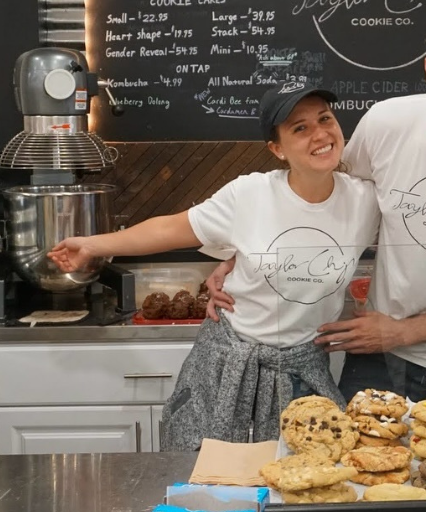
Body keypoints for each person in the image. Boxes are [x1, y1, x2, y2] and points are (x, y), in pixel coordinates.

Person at [208, 8, 426, 413]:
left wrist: (401, 333)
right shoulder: (388, 122)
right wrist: (251, 253)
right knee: (357, 470)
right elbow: (336, 194)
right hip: (376, 350)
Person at [47, 81, 380, 449]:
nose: (320, 134)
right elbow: (171, 228)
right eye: (300, 128)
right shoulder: (249, 194)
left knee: (301, 481)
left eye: (325, 119)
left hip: (302, 367)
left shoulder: (364, 200)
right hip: (227, 361)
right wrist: (92, 245)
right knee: (204, 476)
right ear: (277, 148)